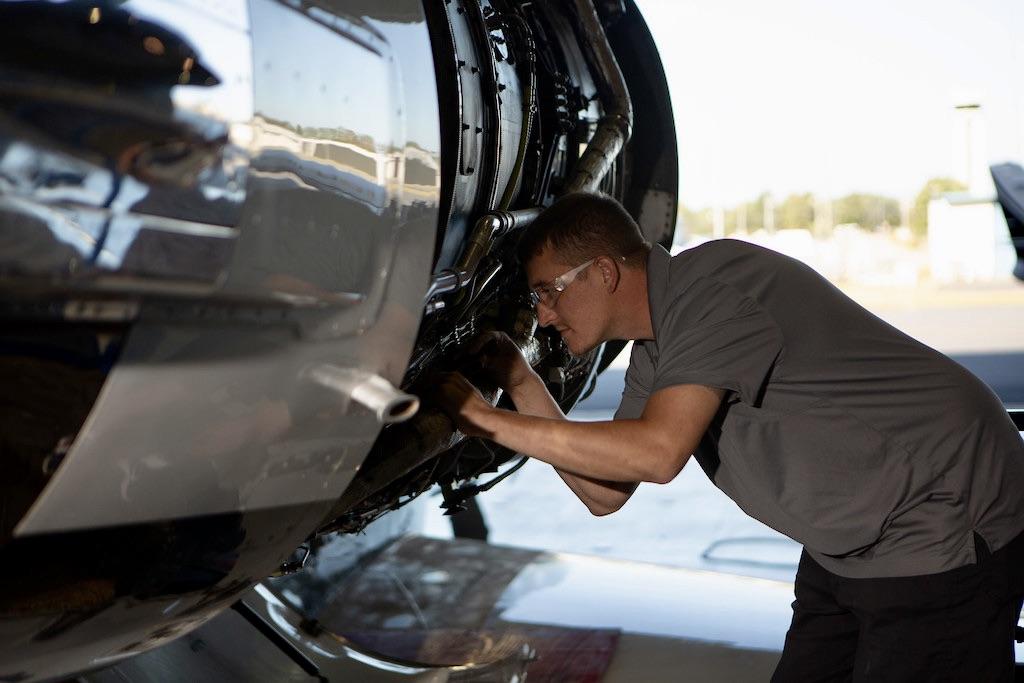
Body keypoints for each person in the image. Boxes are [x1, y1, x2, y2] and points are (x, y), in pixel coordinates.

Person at [435, 191, 1024, 682]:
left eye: (547, 291)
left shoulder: (713, 288)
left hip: (941, 514)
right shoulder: (658, 344)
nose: (542, 316)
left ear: (605, 272)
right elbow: (607, 491)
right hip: (851, 538)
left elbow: (659, 452)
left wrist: (487, 420)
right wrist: (519, 379)